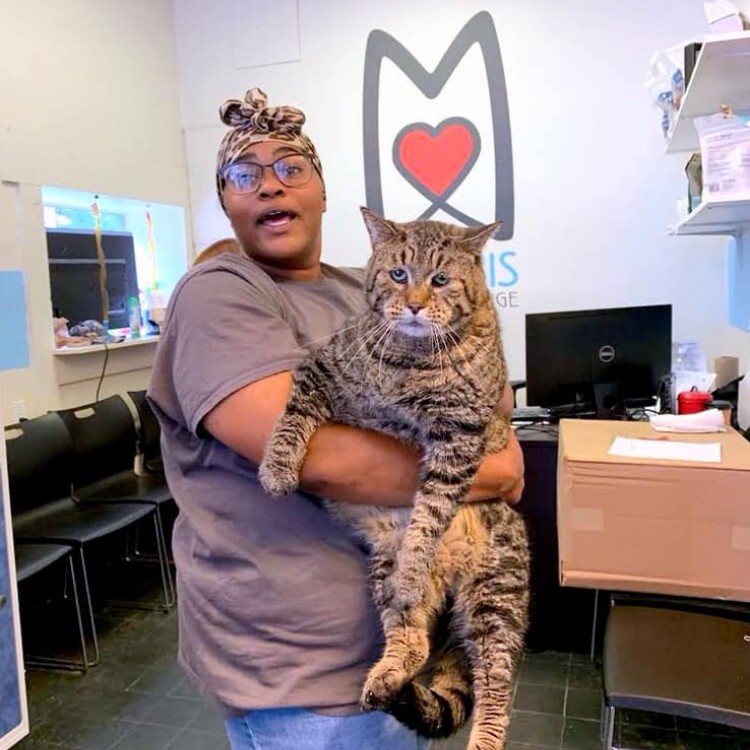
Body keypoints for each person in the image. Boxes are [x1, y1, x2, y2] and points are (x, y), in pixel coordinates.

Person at [147, 86, 525, 750]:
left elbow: (485, 394)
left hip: (397, 638)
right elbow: (316, 458)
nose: (269, 187)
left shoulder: (367, 284)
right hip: (303, 674)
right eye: (244, 175)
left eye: (291, 168)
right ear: (226, 201)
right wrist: (488, 470)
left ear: (322, 191)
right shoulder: (220, 296)